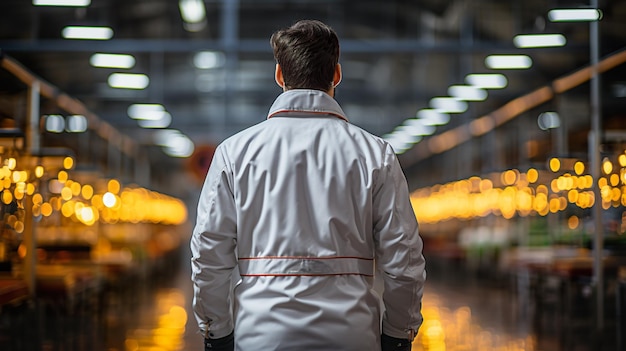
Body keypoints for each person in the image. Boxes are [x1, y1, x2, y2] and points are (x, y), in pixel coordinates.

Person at [190, 19, 426, 351]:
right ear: (337, 74)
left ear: (279, 76)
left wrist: (217, 331)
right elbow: (404, 259)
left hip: (260, 338)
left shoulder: (234, 154)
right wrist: (399, 334)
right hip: (353, 337)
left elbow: (209, 255)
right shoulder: (376, 155)